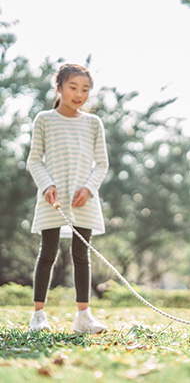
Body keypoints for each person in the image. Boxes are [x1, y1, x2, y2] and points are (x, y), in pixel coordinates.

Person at [27, 64, 109, 333]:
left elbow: (102, 164)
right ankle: (38, 316)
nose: (79, 94)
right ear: (59, 88)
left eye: (85, 89)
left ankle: (83, 317)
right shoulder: (44, 119)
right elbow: (34, 160)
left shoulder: (93, 123)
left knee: (81, 254)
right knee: (47, 252)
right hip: (53, 197)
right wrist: (46, 185)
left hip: (83, 198)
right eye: (73, 88)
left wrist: (88, 189)